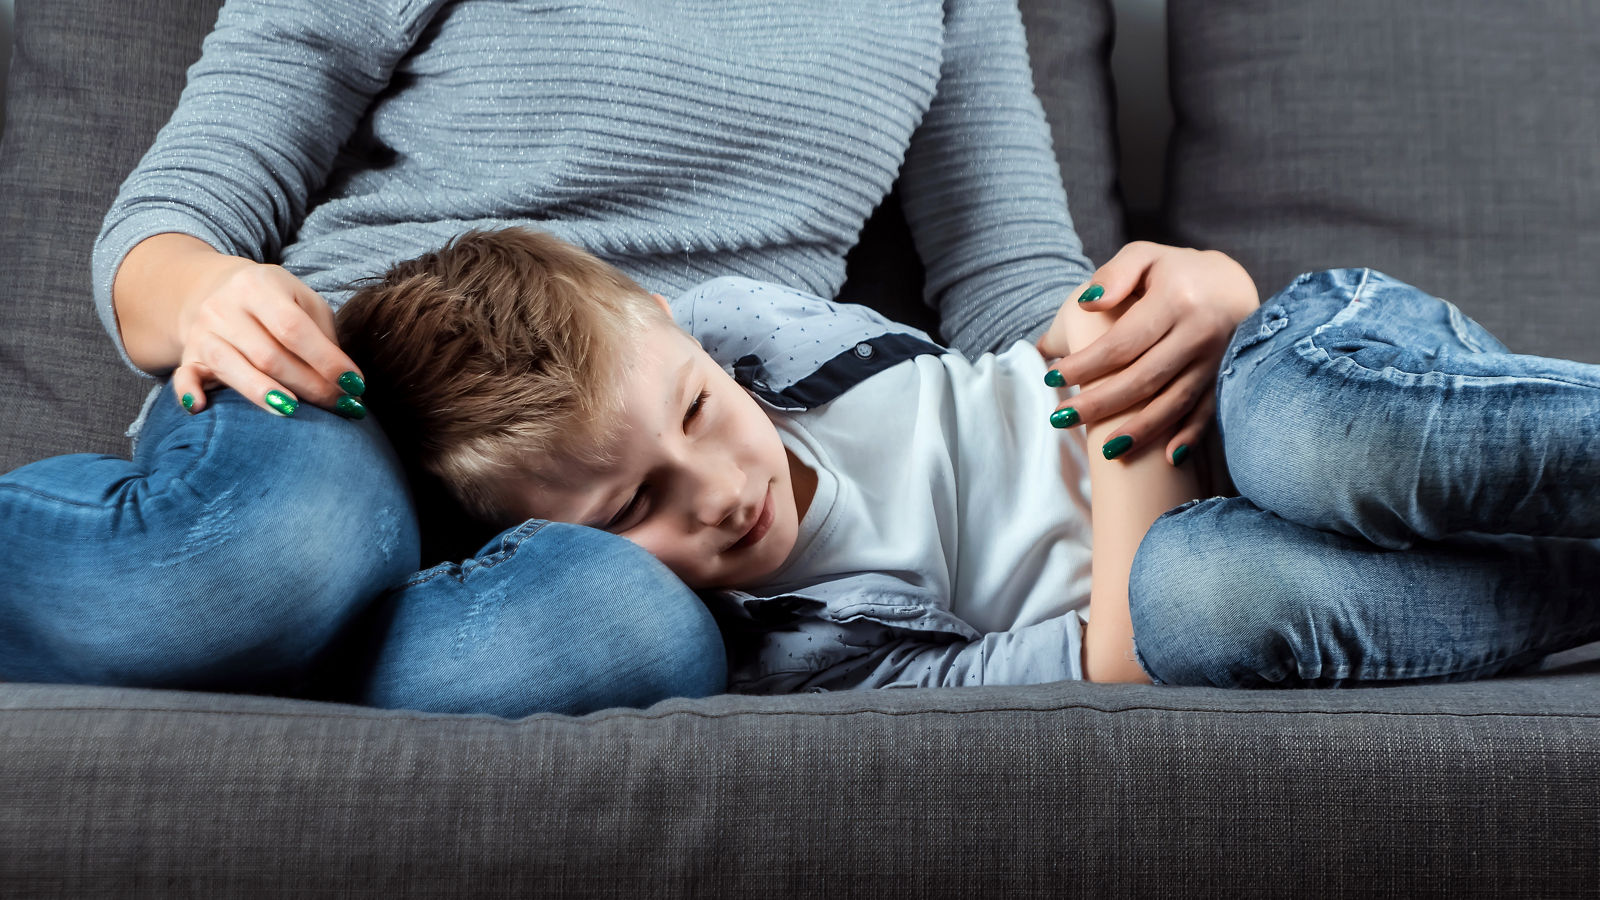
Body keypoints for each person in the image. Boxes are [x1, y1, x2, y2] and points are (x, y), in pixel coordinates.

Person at [0, 0, 1262, 711]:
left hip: (647, 477)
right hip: (353, 387)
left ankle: (240, 666)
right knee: (257, 564)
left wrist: (1192, 299)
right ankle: (233, 614)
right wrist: (207, 292)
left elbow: (1012, 294)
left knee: (597, 645)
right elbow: (177, 217)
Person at [335, 227, 1600, 691]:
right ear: (547, 548)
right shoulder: (802, 654)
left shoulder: (752, 331)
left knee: (1308, 432)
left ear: (683, 333)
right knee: (1195, 606)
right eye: (634, 507)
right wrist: (1120, 431)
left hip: (1263, 390)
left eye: (698, 412)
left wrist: (1132, 311)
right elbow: (1113, 661)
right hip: (1204, 554)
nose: (718, 491)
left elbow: (1044, 339)